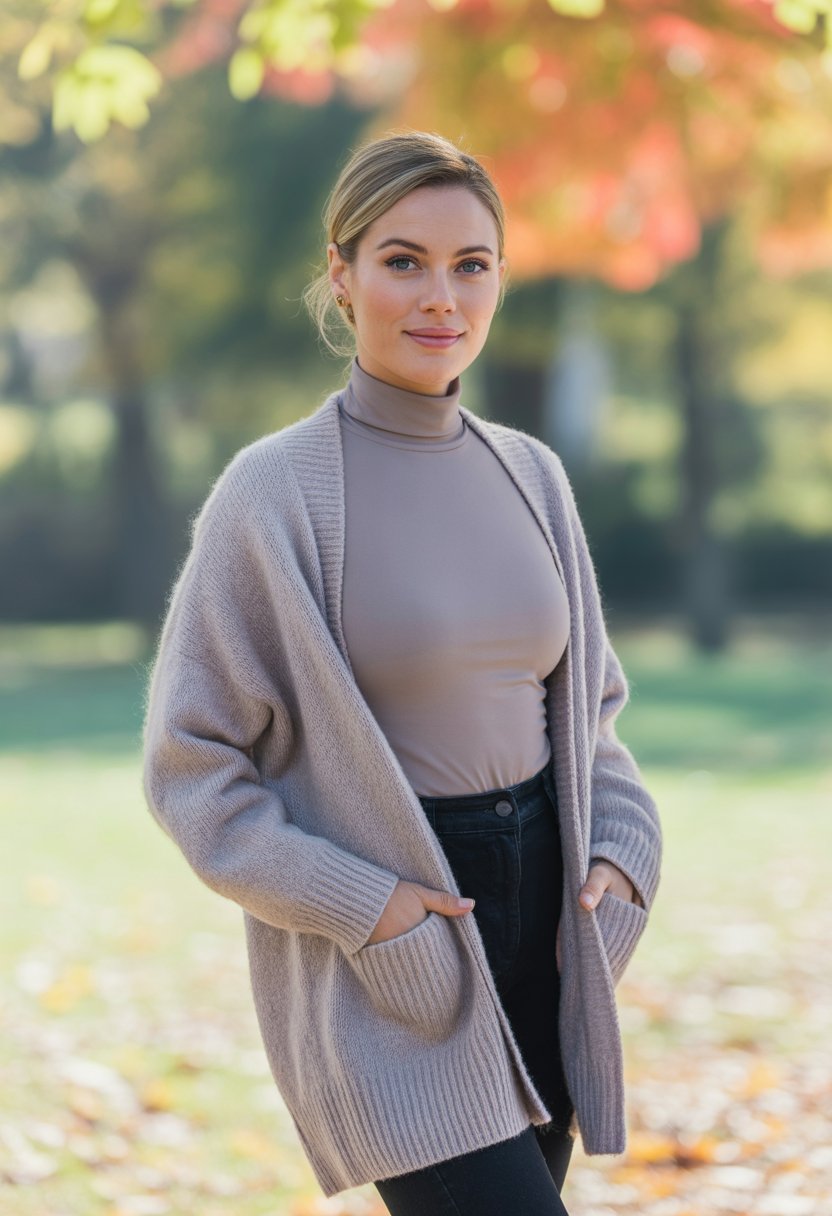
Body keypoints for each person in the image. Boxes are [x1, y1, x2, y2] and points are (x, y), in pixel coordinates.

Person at [141, 130, 662, 1216]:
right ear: (342, 273)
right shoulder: (272, 493)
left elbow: (592, 717)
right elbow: (192, 767)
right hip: (405, 955)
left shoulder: (533, 476)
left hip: (551, 937)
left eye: (471, 263)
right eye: (402, 260)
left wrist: (619, 859)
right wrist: (369, 909)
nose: (441, 297)